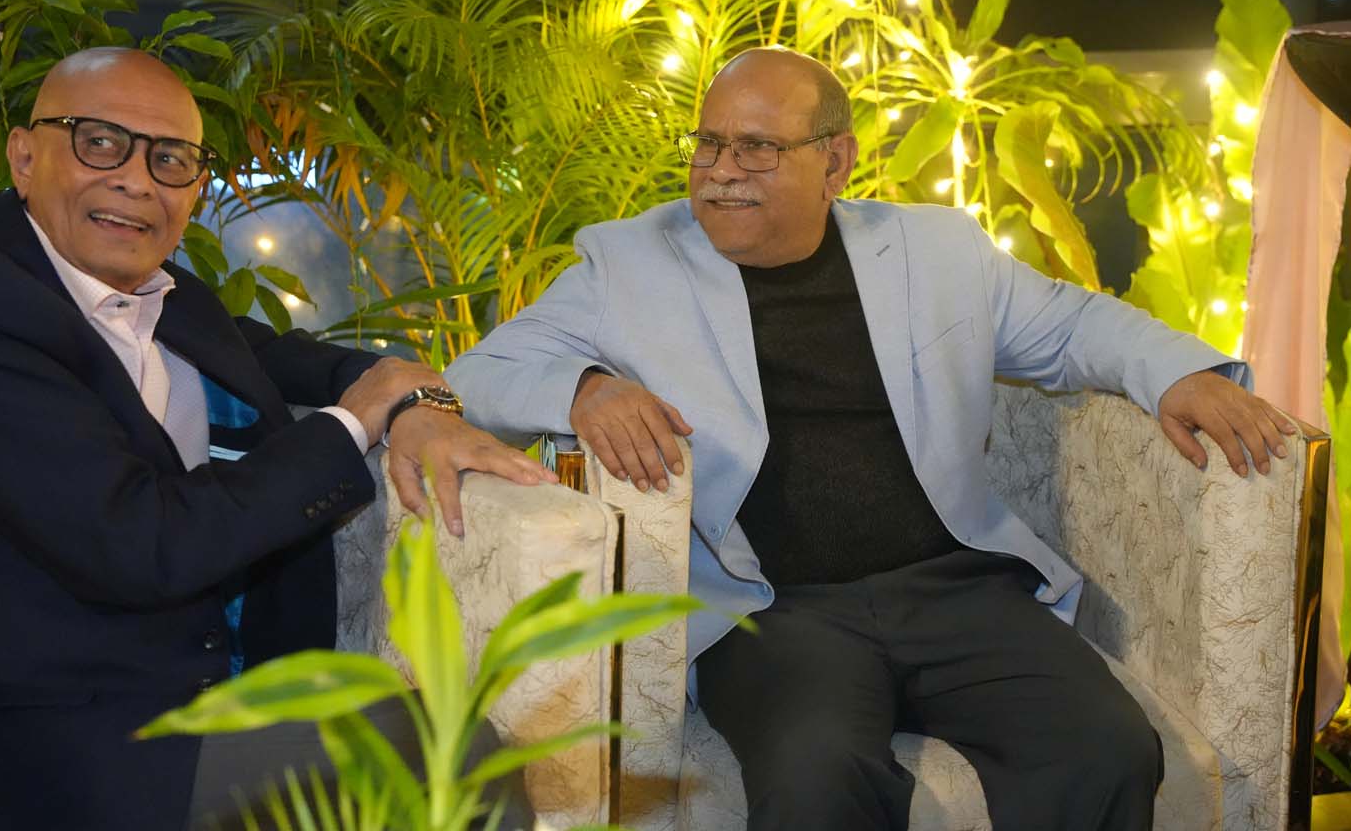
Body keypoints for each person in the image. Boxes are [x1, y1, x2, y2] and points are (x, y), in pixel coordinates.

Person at [445, 47, 1297, 831]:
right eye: (707, 144)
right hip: (774, 612)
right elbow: (478, 375)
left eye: (757, 148)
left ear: (836, 162)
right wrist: (585, 388)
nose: (721, 171)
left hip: (958, 590)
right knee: (814, 777)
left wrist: (1182, 376)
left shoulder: (937, 251)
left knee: (1107, 751)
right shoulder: (628, 265)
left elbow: (1072, 326)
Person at [0, 48, 549, 831]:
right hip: (27, 745)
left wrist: (413, 398)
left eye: (171, 159)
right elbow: (141, 543)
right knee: (453, 752)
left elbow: (298, 361)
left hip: (171, 693)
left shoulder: (158, 293)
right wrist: (354, 421)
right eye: (99, 142)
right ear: (23, 157)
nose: (137, 180)